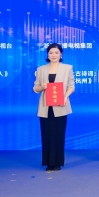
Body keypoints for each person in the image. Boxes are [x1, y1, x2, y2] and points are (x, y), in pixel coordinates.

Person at [33, 43, 74, 172]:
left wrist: (65, 97)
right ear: (47, 54)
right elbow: (35, 88)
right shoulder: (41, 69)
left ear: (61, 54)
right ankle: (48, 163)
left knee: (58, 134)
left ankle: (57, 162)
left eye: (56, 52)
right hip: (45, 107)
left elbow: (71, 86)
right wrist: (42, 87)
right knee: (46, 134)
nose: (54, 55)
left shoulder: (67, 68)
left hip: (61, 105)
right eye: (51, 53)